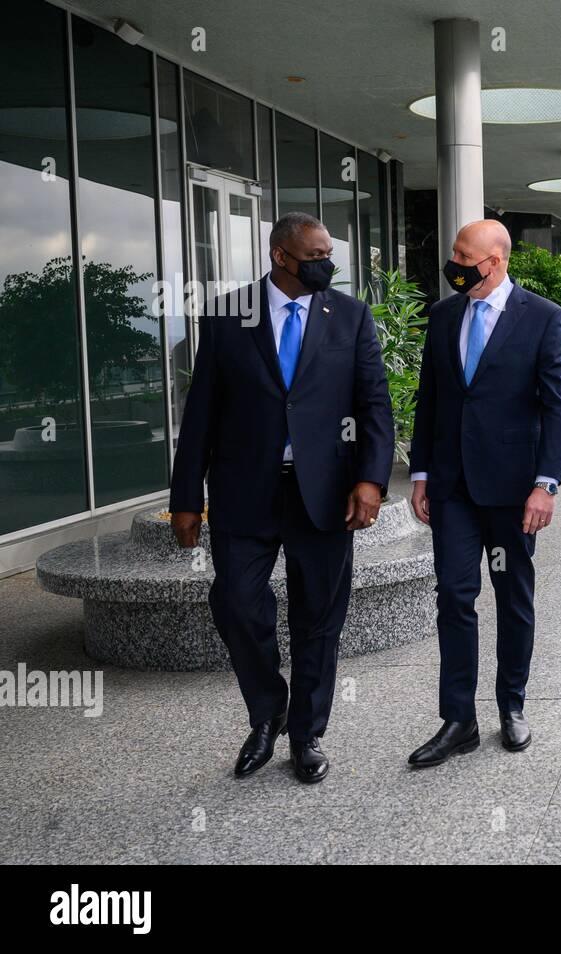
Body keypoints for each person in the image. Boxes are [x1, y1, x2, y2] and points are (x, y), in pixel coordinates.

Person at [169, 211, 395, 784]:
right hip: (246, 490)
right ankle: (267, 713)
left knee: (319, 615)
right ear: (280, 256)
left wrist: (371, 479)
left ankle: (307, 733)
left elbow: (373, 403)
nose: (327, 263)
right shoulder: (227, 315)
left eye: (329, 253)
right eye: (316, 254)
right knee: (237, 604)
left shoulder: (350, 315)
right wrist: (185, 496)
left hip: (325, 492)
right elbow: (201, 411)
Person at [405, 220, 561, 767]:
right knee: (454, 595)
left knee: (511, 596)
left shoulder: (544, 318)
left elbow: (556, 406)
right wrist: (422, 472)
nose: (454, 263)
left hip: (512, 488)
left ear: (496, 262)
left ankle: (512, 706)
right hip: (452, 488)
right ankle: (458, 720)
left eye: (464, 255)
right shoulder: (443, 314)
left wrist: (545, 484)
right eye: (454, 251)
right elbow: (430, 398)